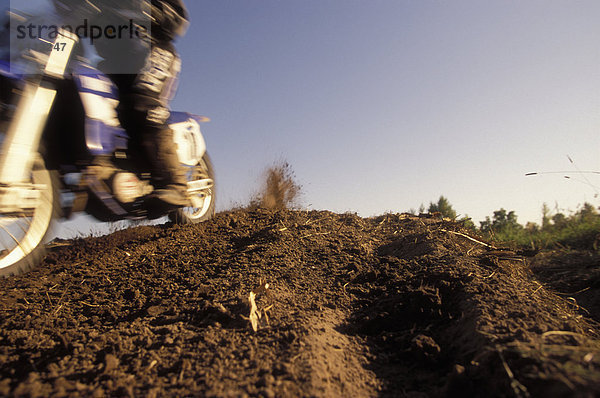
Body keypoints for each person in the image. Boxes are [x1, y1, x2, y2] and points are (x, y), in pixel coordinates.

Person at [53, 0, 191, 207]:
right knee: (81, 91)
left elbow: (177, 19)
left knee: (144, 106)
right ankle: (105, 164)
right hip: (114, 64)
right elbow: (70, 29)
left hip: (153, 51)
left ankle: (177, 185)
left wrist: (151, 11)